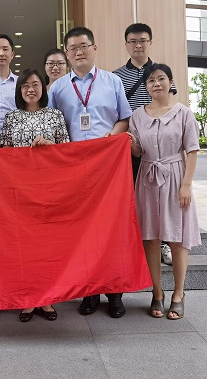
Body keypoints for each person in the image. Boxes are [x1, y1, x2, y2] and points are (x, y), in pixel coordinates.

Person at [48, 26, 131, 318]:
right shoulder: (57, 88)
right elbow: (52, 125)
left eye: (83, 46)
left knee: (111, 228)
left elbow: (124, 119)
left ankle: (115, 293)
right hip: (74, 169)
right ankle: (89, 292)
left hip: (108, 167)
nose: (79, 52)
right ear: (67, 54)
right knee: (83, 230)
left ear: (94, 48)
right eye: (72, 48)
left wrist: (110, 139)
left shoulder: (112, 81)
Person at [128, 63, 201, 320]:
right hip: (147, 178)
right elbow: (138, 152)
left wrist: (186, 184)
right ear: (146, 87)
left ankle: (178, 294)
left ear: (171, 82)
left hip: (175, 177)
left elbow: (192, 150)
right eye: (151, 80)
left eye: (160, 79)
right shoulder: (137, 116)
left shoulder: (184, 114)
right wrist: (132, 143)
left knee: (178, 238)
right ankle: (157, 292)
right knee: (150, 238)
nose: (156, 84)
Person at [0, 68, 70, 322]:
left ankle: (48, 299)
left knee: (47, 245)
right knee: (24, 246)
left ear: (43, 88)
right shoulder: (11, 117)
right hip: (19, 191)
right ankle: (28, 299)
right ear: (19, 90)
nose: (30, 89)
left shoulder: (55, 115)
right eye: (25, 85)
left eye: (35, 84)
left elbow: (67, 152)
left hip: (48, 189)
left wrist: (50, 147)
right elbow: (3, 154)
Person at [113, 23, 176, 266]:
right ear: (126, 44)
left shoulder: (161, 72)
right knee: (132, 197)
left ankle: (163, 244)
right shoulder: (116, 76)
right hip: (130, 146)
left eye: (142, 40)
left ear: (150, 43)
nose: (138, 45)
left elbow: (169, 104)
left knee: (161, 199)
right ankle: (135, 244)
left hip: (159, 149)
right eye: (133, 41)